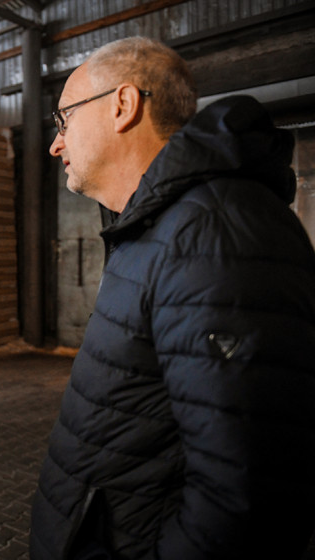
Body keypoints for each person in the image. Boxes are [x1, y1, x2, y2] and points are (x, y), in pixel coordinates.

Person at [30, 36, 315, 559]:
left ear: (122, 105)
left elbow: (245, 493)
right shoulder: (159, 226)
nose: (56, 144)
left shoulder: (214, 233)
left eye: (64, 118)